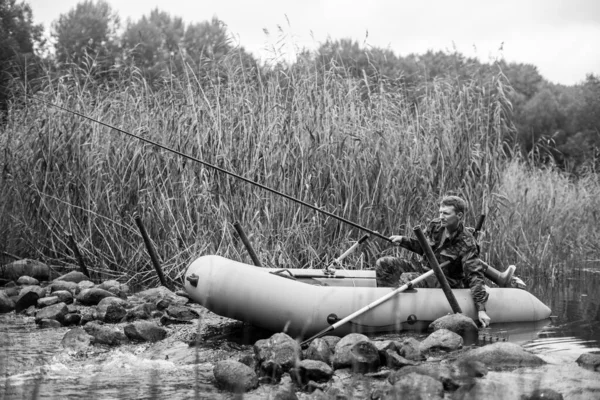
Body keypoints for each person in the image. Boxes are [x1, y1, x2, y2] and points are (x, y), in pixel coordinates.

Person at [375, 195, 491, 327]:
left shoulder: (467, 242)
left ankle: (399, 316)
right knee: (384, 263)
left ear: (459, 216)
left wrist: (481, 309)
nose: (441, 216)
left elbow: (475, 275)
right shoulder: (435, 226)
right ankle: (383, 307)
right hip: (426, 270)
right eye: (440, 212)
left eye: (446, 213)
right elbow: (422, 247)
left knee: (408, 278)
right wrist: (403, 241)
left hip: (446, 280)